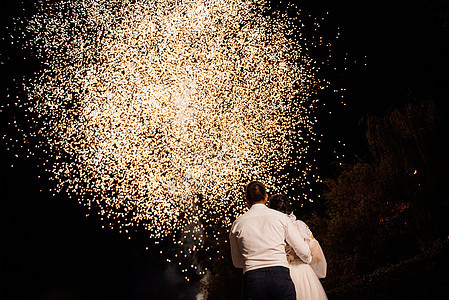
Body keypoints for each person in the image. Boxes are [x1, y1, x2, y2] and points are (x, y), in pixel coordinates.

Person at [229, 181, 312, 300]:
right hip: (280, 277)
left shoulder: (237, 224)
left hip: (253, 280)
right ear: (266, 197)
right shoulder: (281, 218)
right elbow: (302, 250)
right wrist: (307, 260)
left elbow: (237, 262)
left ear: (246, 199)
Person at [269, 194, 328, 300]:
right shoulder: (300, 226)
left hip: (281, 273)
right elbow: (318, 256)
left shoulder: (272, 229)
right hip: (304, 273)